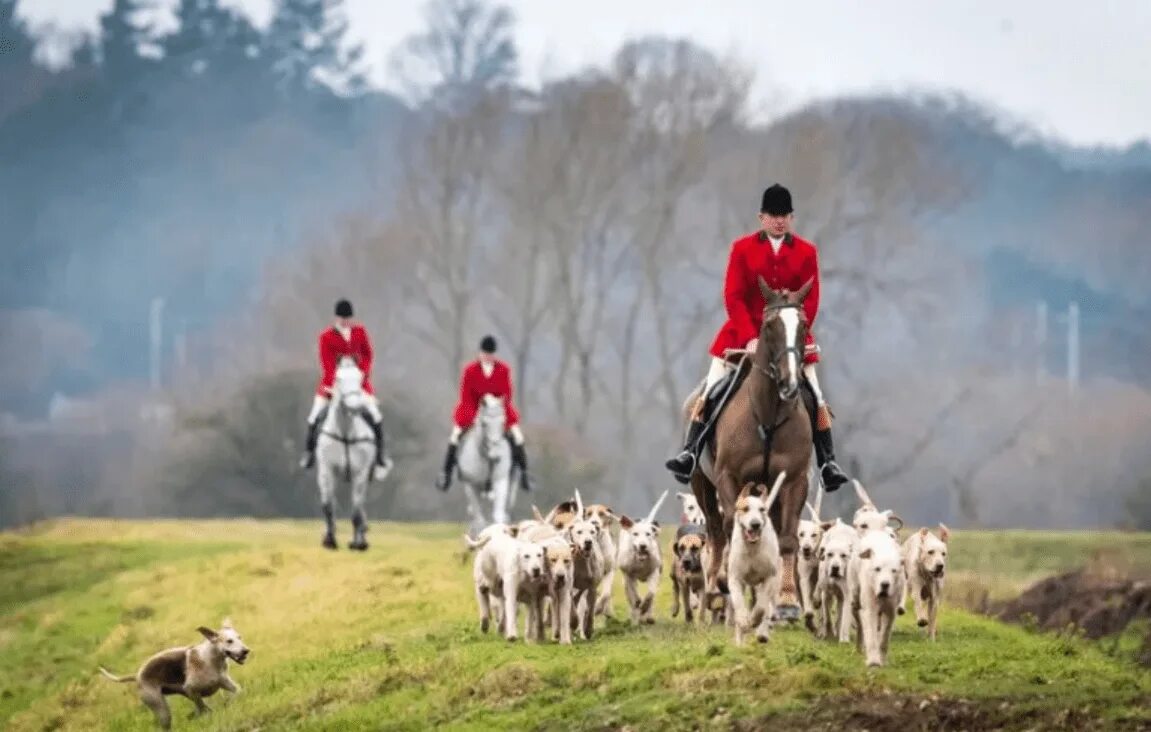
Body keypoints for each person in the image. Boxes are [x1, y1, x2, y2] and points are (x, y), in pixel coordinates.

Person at [664, 183, 851, 491]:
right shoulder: (742, 249)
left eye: (785, 215)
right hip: (740, 336)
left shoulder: (807, 252)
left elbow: (812, 299)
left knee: (816, 397)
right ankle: (690, 452)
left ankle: (828, 461)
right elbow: (733, 296)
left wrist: (795, 335)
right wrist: (751, 336)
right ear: (761, 217)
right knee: (709, 391)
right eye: (773, 215)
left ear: (792, 218)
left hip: (790, 341)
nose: (779, 220)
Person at [299, 299, 388, 471]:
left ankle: (380, 456)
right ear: (336, 318)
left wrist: (362, 373)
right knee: (314, 415)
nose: (345, 322)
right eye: (342, 318)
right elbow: (326, 363)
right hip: (333, 383)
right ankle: (309, 453)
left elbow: (368, 355)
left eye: (348, 318)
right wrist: (333, 384)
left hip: (357, 384)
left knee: (376, 416)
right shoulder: (326, 337)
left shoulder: (360, 332)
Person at [436, 335, 532, 492]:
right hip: (473, 410)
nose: (488, 357)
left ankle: (525, 475)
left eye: (490, 354)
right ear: (480, 353)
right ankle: (446, 474)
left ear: (494, 354)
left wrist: (496, 406)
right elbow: (466, 395)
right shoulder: (470, 370)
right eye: (485, 354)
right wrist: (474, 416)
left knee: (518, 436)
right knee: (454, 436)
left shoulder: (503, 370)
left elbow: (507, 393)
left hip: (498, 412)